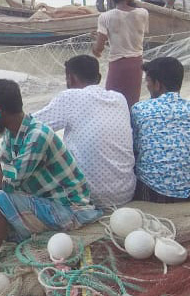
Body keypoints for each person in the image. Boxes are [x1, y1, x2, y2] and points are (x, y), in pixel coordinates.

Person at [0, 79, 99, 296]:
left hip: (69, 209)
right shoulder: (13, 131)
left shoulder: (37, 136)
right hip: (42, 199)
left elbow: (8, 183)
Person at [33, 55, 136, 208]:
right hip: (125, 194)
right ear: (99, 78)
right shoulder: (119, 98)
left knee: (39, 142)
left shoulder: (71, 96)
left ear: (70, 78)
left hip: (88, 196)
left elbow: (29, 126)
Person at [130, 57, 190, 203]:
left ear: (157, 84)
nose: (146, 86)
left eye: (147, 81)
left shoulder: (139, 109)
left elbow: (135, 147)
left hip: (151, 193)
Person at [92, 0, 149, 107]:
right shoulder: (143, 13)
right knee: (132, 101)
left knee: (112, 101)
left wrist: (95, 50)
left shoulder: (105, 16)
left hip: (118, 63)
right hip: (137, 63)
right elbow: (142, 32)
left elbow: (99, 48)